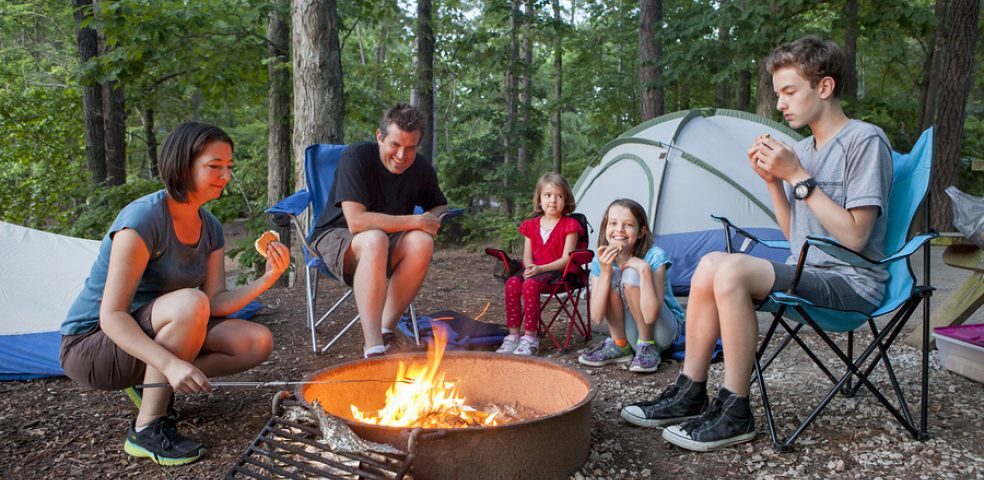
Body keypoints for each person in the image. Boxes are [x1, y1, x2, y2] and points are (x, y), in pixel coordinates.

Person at [620, 35, 893, 452]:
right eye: (777, 93)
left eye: (789, 92)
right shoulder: (802, 149)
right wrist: (773, 183)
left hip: (853, 281)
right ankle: (690, 391)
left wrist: (798, 177)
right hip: (809, 271)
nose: (781, 104)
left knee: (730, 269)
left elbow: (856, 235)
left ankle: (735, 410)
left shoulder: (864, 141)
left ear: (824, 87)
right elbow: (794, 237)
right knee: (711, 261)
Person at [59, 122, 290, 465]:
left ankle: (153, 385)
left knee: (256, 341)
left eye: (229, 167)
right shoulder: (143, 219)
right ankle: (147, 429)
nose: (225, 175)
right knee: (190, 302)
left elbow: (215, 301)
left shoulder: (209, 226)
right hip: (93, 346)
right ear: (183, 165)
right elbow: (112, 315)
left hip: (149, 334)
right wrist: (169, 363)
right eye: (214, 166)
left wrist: (268, 278)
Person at [310, 103, 448, 358]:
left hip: (386, 243)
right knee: (374, 238)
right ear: (379, 137)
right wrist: (417, 221)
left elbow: (439, 204)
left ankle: (386, 331)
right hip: (337, 237)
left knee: (421, 242)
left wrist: (431, 217)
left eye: (411, 148)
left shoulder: (420, 168)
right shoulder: (358, 156)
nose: (402, 155)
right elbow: (356, 222)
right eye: (395, 145)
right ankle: (373, 347)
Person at [577, 199, 684, 373]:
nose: (619, 230)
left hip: (662, 331)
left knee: (630, 273)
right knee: (612, 276)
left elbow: (650, 316)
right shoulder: (601, 259)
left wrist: (644, 271)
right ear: (605, 228)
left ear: (641, 232)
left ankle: (647, 346)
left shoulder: (655, 256)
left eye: (628, 225)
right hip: (630, 329)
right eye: (613, 223)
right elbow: (596, 317)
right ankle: (620, 345)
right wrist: (605, 273)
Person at [495, 172, 584, 356]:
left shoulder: (570, 225)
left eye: (559, 196)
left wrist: (540, 269)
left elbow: (567, 259)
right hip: (535, 268)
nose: (553, 200)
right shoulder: (531, 225)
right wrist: (529, 267)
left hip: (559, 272)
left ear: (566, 200)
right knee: (512, 282)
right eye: (548, 195)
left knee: (529, 284)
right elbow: (527, 256)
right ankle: (513, 335)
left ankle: (530, 337)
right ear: (539, 198)